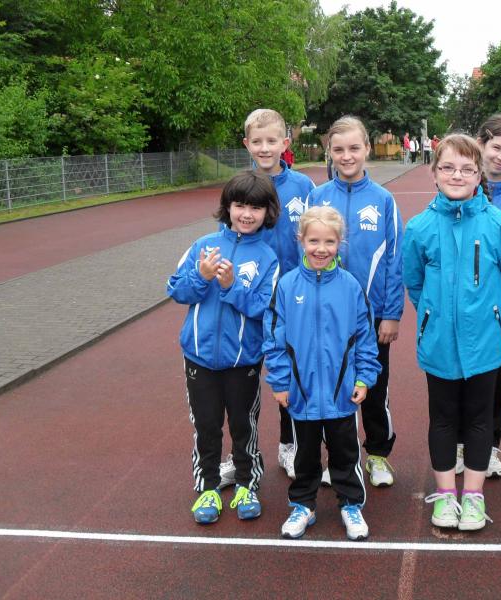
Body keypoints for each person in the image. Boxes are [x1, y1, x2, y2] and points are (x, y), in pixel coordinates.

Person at [403, 134, 501, 531]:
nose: (457, 175)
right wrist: (433, 315)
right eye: (448, 168)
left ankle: (473, 495)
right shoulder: (419, 227)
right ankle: (445, 495)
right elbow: (414, 282)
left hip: (485, 341)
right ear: (435, 172)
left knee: (478, 419)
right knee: (441, 418)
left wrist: (488, 314)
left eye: (467, 169)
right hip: (438, 341)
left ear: (479, 175)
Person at [167, 170, 280, 524]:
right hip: (199, 357)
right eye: (240, 205)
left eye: (255, 208)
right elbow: (176, 290)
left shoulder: (268, 258)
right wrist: (201, 277)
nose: (247, 214)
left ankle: (247, 483)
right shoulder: (203, 246)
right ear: (227, 207)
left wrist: (232, 287)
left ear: (267, 212)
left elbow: (265, 308)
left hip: (243, 360)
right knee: (206, 425)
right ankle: (208, 487)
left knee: (244, 425)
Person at [265, 206, 382, 540]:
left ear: (339, 242)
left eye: (329, 241)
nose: (321, 248)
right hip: (300, 393)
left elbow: (365, 337)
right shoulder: (287, 286)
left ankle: (351, 504)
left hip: (341, 392)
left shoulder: (350, 286)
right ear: (301, 239)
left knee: (345, 453)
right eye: (314, 240)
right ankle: (303, 505)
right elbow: (274, 339)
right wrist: (280, 382)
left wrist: (364, 378)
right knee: (304, 456)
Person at [219, 108, 315, 488]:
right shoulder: (241, 187)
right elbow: (227, 239)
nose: (264, 147)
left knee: (290, 373)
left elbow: (314, 236)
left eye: (271, 140)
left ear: (284, 144)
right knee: (242, 382)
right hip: (248, 299)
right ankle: (242, 453)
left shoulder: (303, 186)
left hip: (291, 302)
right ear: (247, 144)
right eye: (257, 141)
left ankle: (289, 446)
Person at [307, 116, 404, 488]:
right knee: (333, 388)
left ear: (367, 148)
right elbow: (307, 254)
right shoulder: (318, 197)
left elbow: (394, 259)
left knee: (374, 387)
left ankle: (378, 454)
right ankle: (340, 458)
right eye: (338, 149)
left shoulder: (383, 200)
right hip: (328, 316)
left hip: (372, 315)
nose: (346, 156)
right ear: (330, 153)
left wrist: (391, 313)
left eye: (354, 148)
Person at [449, 114, 501, 479]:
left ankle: (491, 447)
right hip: (460, 309)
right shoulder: (457, 189)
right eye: (496, 147)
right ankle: (459, 445)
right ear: (480, 144)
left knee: (496, 380)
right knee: (456, 378)